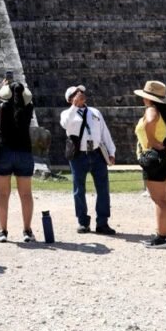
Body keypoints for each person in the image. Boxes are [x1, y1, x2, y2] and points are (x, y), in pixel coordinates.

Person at [59, 85, 117, 234]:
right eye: (76, 93)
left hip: (96, 154)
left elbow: (105, 132)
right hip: (78, 155)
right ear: (70, 99)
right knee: (79, 189)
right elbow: (65, 124)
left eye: (82, 93)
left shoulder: (95, 112)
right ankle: (83, 222)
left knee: (103, 189)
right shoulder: (67, 113)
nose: (80, 94)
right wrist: (74, 106)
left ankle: (102, 222)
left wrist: (111, 152)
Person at [134, 81, 166, 248]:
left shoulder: (152, 110)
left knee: (160, 200)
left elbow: (150, 120)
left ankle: (162, 236)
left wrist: (152, 141)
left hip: (155, 159)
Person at [0, 82, 36, 242]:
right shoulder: (28, 107)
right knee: (25, 194)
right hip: (24, 151)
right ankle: (27, 230)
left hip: (4, 151)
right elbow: (29, 99)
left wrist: (3, 87)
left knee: (2, 194)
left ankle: (3, 230)